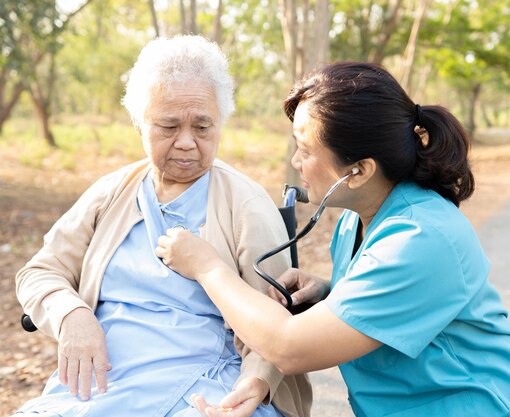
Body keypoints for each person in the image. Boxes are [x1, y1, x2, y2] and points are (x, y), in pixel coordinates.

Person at [156, 61, 510, 417]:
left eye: (304, 150)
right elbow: (393, 309)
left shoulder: (422, 238)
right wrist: (330, 294)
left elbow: (289, 347)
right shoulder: (358, 221)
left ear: (359, 171)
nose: (296, 163)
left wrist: (207, 266)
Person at [14, 35, 311, 417]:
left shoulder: (247, 205)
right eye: (169, 126)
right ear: (140, 124)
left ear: (220, 123)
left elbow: (277, 324)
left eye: (202, 127)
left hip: (208, 384)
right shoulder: (111, 192)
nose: (187, 142)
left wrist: (253, 385)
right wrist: (72, 315)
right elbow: (40, 271)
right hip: (102, 382)